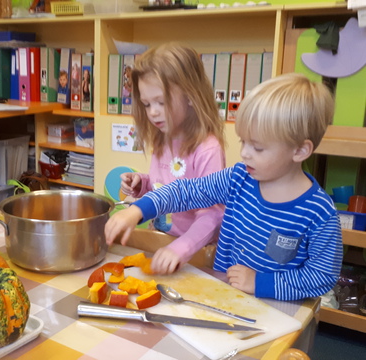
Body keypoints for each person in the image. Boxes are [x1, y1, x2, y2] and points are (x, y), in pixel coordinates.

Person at [106, 73, 343, 301]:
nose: (244, 153)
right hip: (225, 296)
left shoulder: (319, 212)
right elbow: (185, 191)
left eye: (258, 148)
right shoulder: (239, 177)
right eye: (243, 142)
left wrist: (259, 283)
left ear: (300, 150)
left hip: (278, 309)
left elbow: (322, 277)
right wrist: (139, 209)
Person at [118, 43, 226, 275]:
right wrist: (142, 183)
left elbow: (213, 214)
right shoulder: (162, 138)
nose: (153, 112)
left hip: (193, 252)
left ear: (190, 96)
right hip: (161, 244)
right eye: (147, 104)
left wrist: (181, 248)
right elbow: (165, 185)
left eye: (161, 102)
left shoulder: (208, 149)